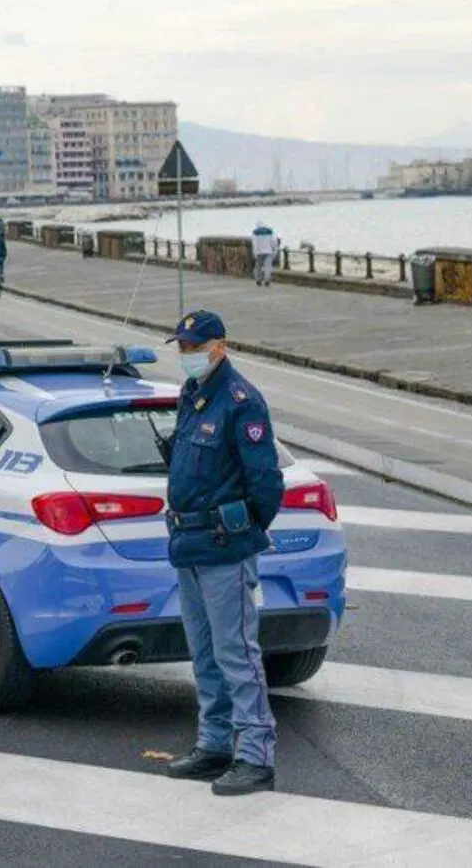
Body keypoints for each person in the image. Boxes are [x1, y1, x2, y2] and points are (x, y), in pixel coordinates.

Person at [161, 310, 284, 796]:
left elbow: (266, 482)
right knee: (204, 652)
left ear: (219, 346)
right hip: (187, 542)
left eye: (193, 347)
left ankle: (256, 755)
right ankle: (214, 744)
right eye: (182, 347)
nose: (185, 355)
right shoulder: (193, 395)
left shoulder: (241, 402)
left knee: (237, 652)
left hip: (223, 546)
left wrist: (242, 531)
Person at [250, 221, 278, 287]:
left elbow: (254, 243)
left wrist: (255, 252)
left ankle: (259, 280)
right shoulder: (270, 231)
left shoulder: (255, 232)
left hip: (259, 252)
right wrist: (274, 249)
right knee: (268, 266)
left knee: (259, 266)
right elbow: (273, 241)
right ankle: (267, 280)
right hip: (269, 251)